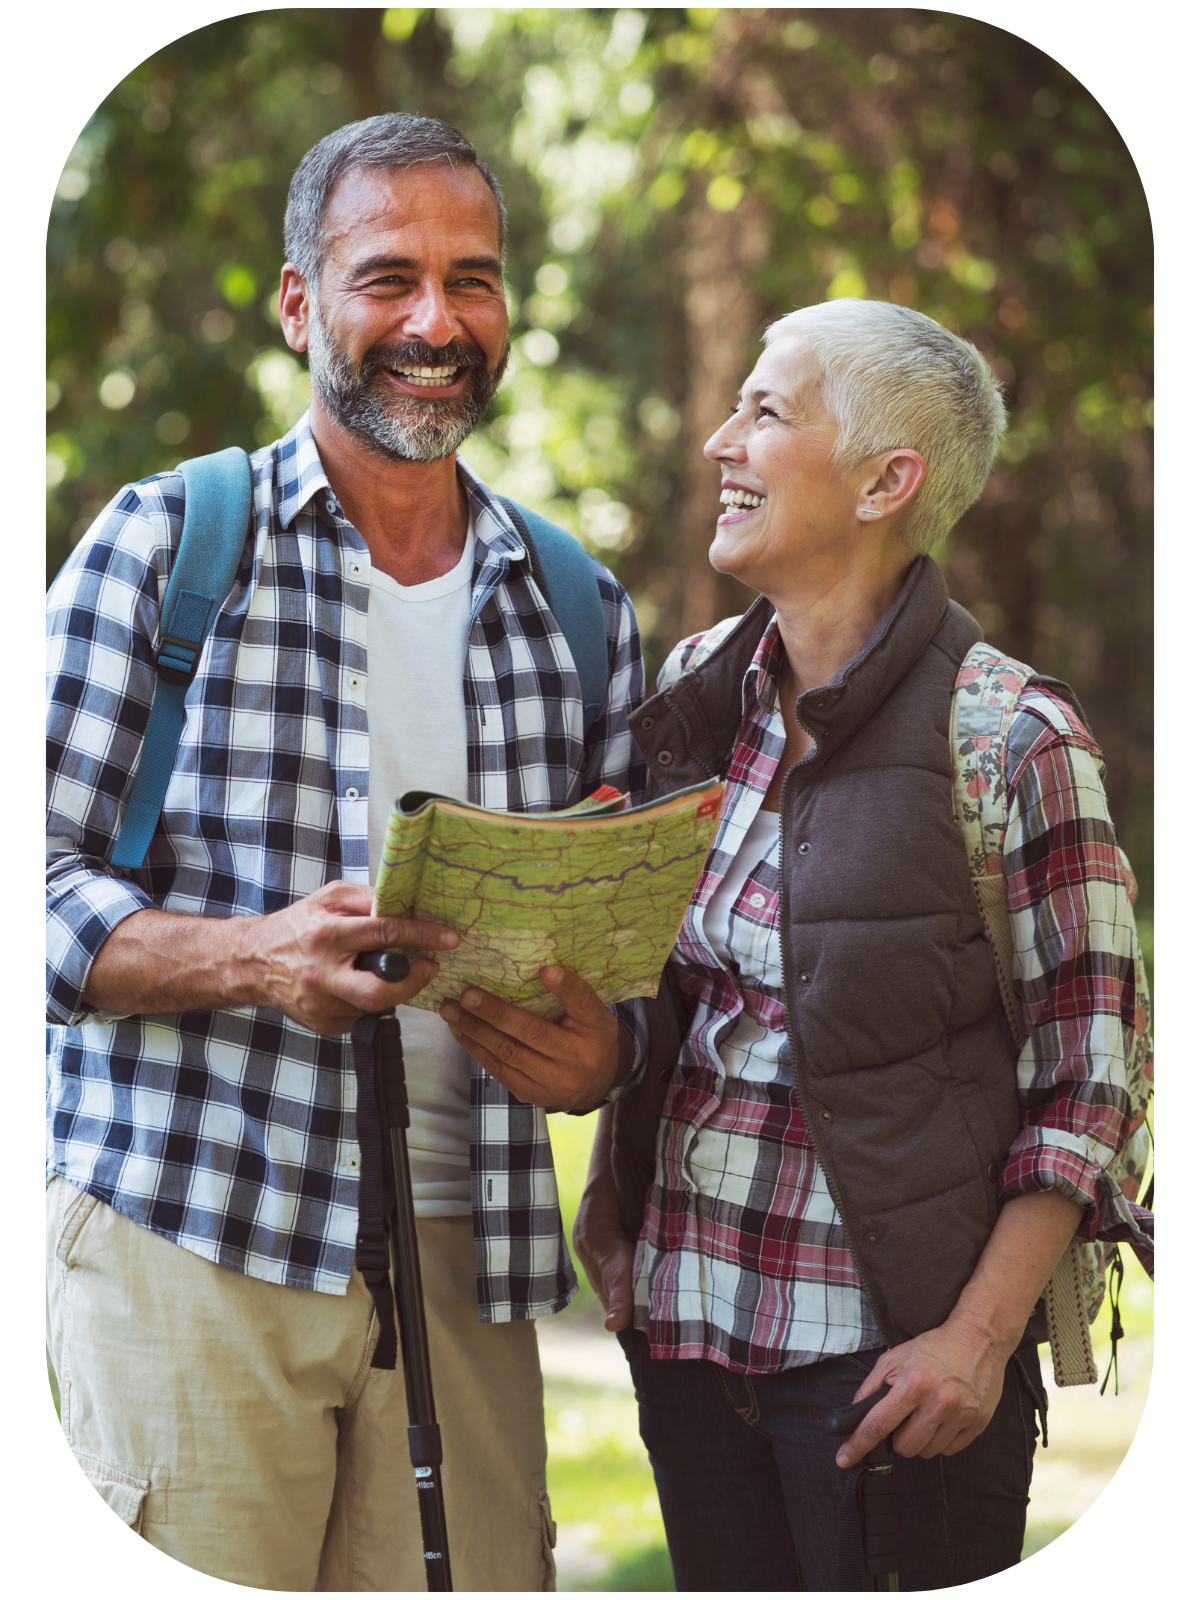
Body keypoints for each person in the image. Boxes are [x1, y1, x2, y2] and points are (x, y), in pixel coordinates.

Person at [45, 113, 645, 1592]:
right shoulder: (168, 543)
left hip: (472, 1255)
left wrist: (606, 1058)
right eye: (389, 279)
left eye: (474, 280)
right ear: (302, 304)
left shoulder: (575, 603)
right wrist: (247, 959)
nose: (436, 323)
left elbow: (637, 955)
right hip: (199, 1228)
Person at [475, 298, 1153, 1591]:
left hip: (894, 1371)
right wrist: (614, 1215)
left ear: (886, 481)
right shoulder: (693, 695)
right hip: (688, 1338)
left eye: (768, 412)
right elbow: (658, 996)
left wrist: (977, 1340)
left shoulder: (1015, 742)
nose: (722, 439)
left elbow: (1092, 1088)